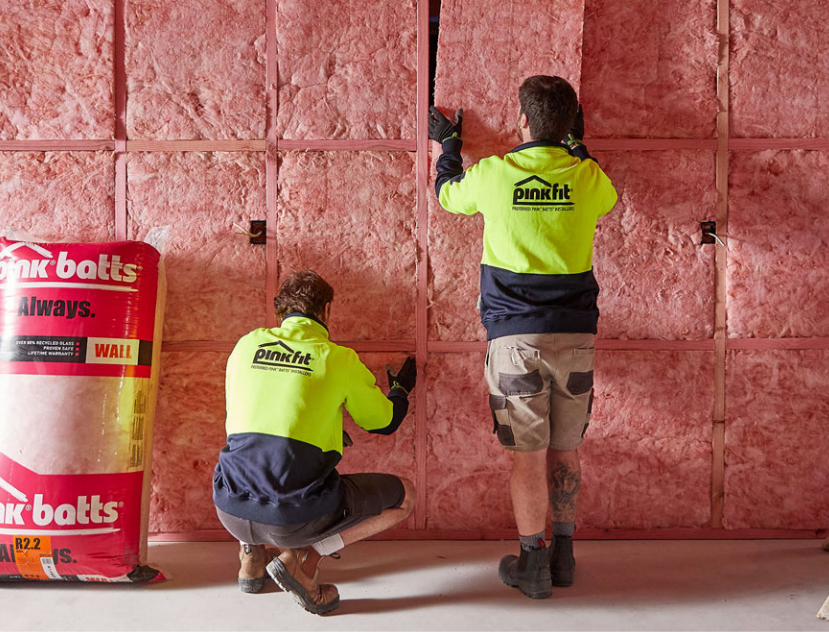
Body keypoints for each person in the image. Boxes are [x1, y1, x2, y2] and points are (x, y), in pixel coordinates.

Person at [428, 75, 617, 600]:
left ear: (523, 122)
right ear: (568, 125)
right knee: (566, 448)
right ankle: (564, 555)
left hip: (516, 338)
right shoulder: (586, 178)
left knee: (528, 455)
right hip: (575, 337)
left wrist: (448, 145)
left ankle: (532, 564)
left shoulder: (494, 173)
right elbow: (604, 186)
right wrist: (577, 144)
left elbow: (447, 195)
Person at [212, 269, 417, 616]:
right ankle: (304, 559)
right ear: (325, 312)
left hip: (228, 508)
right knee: (406, 495)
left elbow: (264, 415)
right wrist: (400, 390)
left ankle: (251, 558)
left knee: (250, 454)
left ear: (280, 312)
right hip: (288, 520)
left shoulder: (246, 345)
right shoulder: (337, 358)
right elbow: (384, 423)